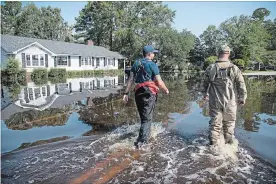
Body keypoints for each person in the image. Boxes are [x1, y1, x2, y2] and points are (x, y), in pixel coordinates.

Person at [123, 45, 169, 148]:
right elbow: (159, 81)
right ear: (149, 54)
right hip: (149, 93)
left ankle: (142, 137)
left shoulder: (136, 63)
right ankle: (141, 144)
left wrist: (126, 93)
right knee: (147, 119)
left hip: (138, 93)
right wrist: (165, 90)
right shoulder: (153, 65)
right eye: (153, 53)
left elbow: (130, 80)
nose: (154, 54)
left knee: (143, 117)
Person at [202, 45, 247, 149]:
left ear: (218, 53)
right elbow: (241, 85)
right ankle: (227, 148)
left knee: (215, 125)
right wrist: (242, 97)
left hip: (215, 101)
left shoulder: (211, 68)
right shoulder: (234, 68)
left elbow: (204, 84)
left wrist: (204, 94)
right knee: (229, 124)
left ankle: (213, 148)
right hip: (231, 101)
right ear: (229, 53)